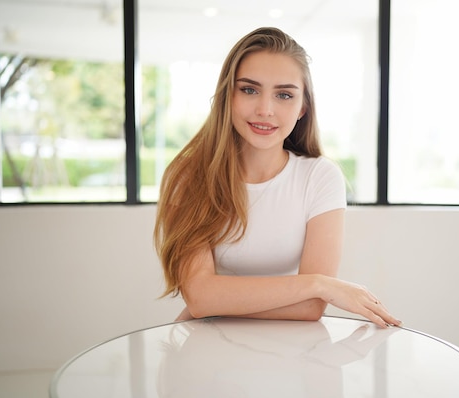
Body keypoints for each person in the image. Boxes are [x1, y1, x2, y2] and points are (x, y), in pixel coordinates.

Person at [154, 27, 400, 329]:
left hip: (291, 348)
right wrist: (320, 285)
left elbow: (310, 309)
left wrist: (215, 304)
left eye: (284, 95)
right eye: (249, 90)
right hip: (206, 344)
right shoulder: (190, 177)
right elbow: (200, 298)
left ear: (302, 108)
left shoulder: (320, 177)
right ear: (227, 96)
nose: (265, 110)